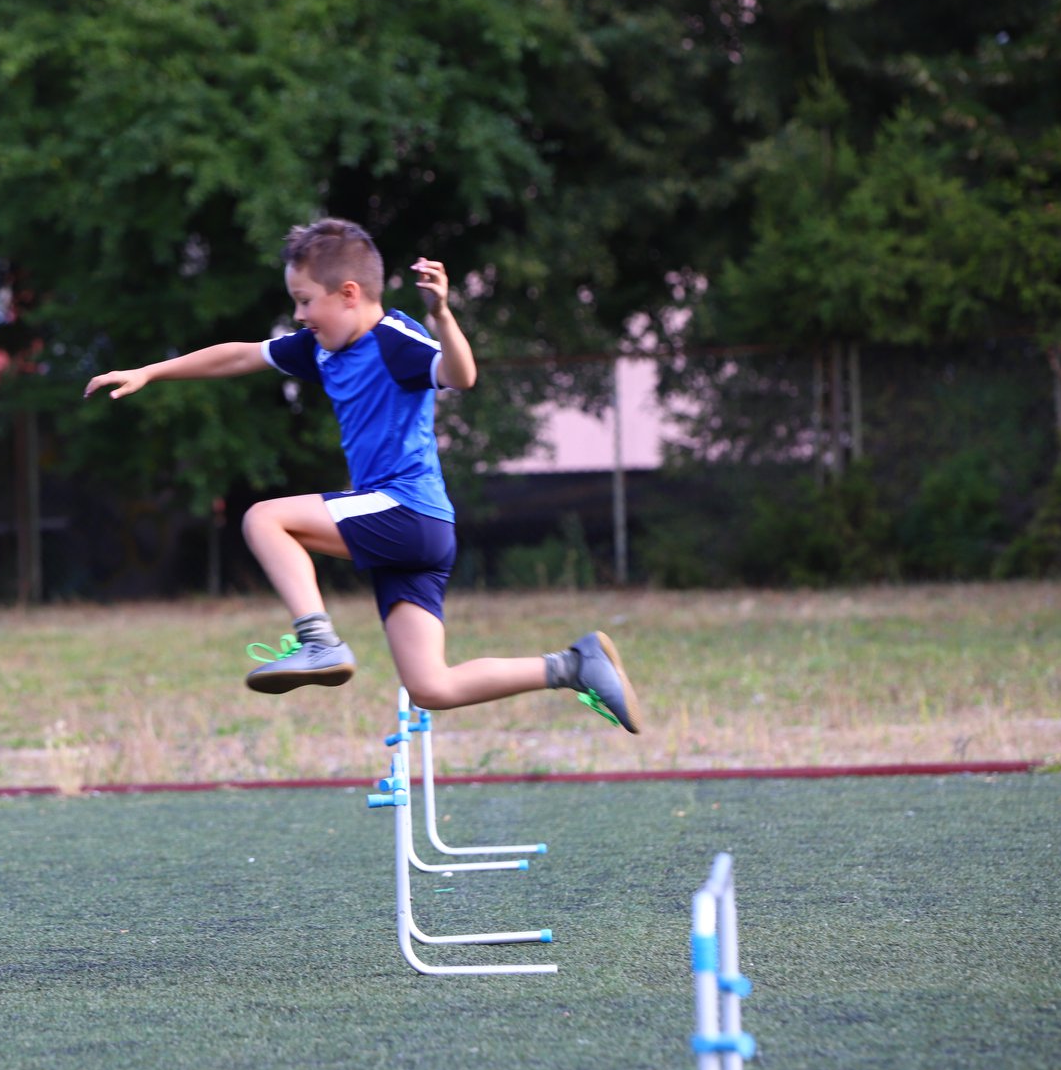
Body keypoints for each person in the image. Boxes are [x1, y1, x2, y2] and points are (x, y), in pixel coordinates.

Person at [82, 218, 642, 731]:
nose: (299, 315)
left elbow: (461, 374)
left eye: (304, 301)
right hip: (417, 535)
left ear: (349, 295)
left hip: (405, 510)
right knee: (430, 686)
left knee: (263, 519)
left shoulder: (395, 342)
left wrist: (443, 314)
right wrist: (149, 372)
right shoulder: (321, 349)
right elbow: (239, 355)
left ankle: (318, 640)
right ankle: (573, 666)